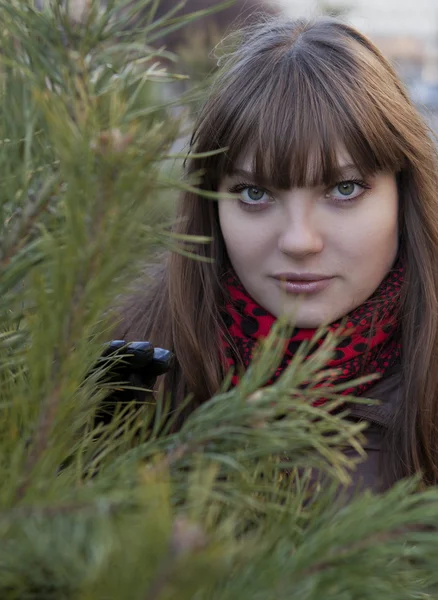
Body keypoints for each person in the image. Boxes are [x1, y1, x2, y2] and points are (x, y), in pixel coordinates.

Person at [109, 17, 438, 492]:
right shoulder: (132, 373)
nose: (299, 241)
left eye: (344, 189)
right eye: (254, 194)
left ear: (402, 193)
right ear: (211, 204)